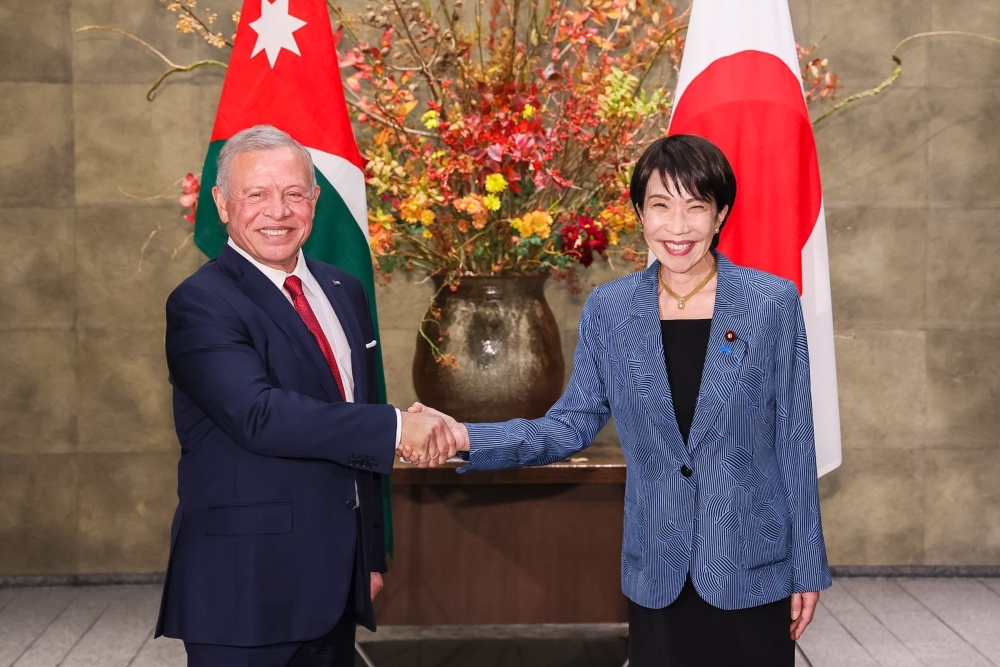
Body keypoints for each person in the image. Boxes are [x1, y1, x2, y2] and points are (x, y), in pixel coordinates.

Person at [409, 134, 832, 666]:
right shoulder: (611, 310)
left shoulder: (770, 303)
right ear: (639, 212)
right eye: (661, 206)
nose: (677, 227)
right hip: (658, 564)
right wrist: (466, 435)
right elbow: (569, 424)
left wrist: (807, 566)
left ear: (721, 215)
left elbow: (795, 439)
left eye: (695, 207)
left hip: (752, 561)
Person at [154, 124, 457, 667]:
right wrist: (395, 428)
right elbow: (258, 414)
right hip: (243, 586)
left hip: (336, 581)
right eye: (257, 194)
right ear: (222, 205)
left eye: (294, 193)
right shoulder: (201, 303)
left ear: (315, 200)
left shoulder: (344, 290)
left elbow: (352, 417)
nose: (279, 210)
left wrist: (369, 553)